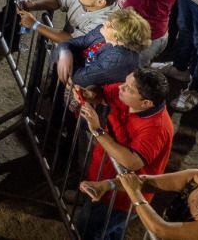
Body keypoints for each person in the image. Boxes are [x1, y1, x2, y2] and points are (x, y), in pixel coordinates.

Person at [72, 69, 176, 240]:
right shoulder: (126, 95)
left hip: (120, 198)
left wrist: (97, 130)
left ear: (146, 103)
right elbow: (102, 93)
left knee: (88, 231)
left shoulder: (158, 128)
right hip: (102, 178)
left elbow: (132, 161)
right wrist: (89, 93)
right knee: (109, 233)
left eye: (129, 88)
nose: (121, 87)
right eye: (126, 83)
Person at [17, 0, 122, 43]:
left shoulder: (105, 23)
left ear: (100, 2)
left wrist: (35, 24)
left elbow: (72, 41)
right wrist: (34, 5)